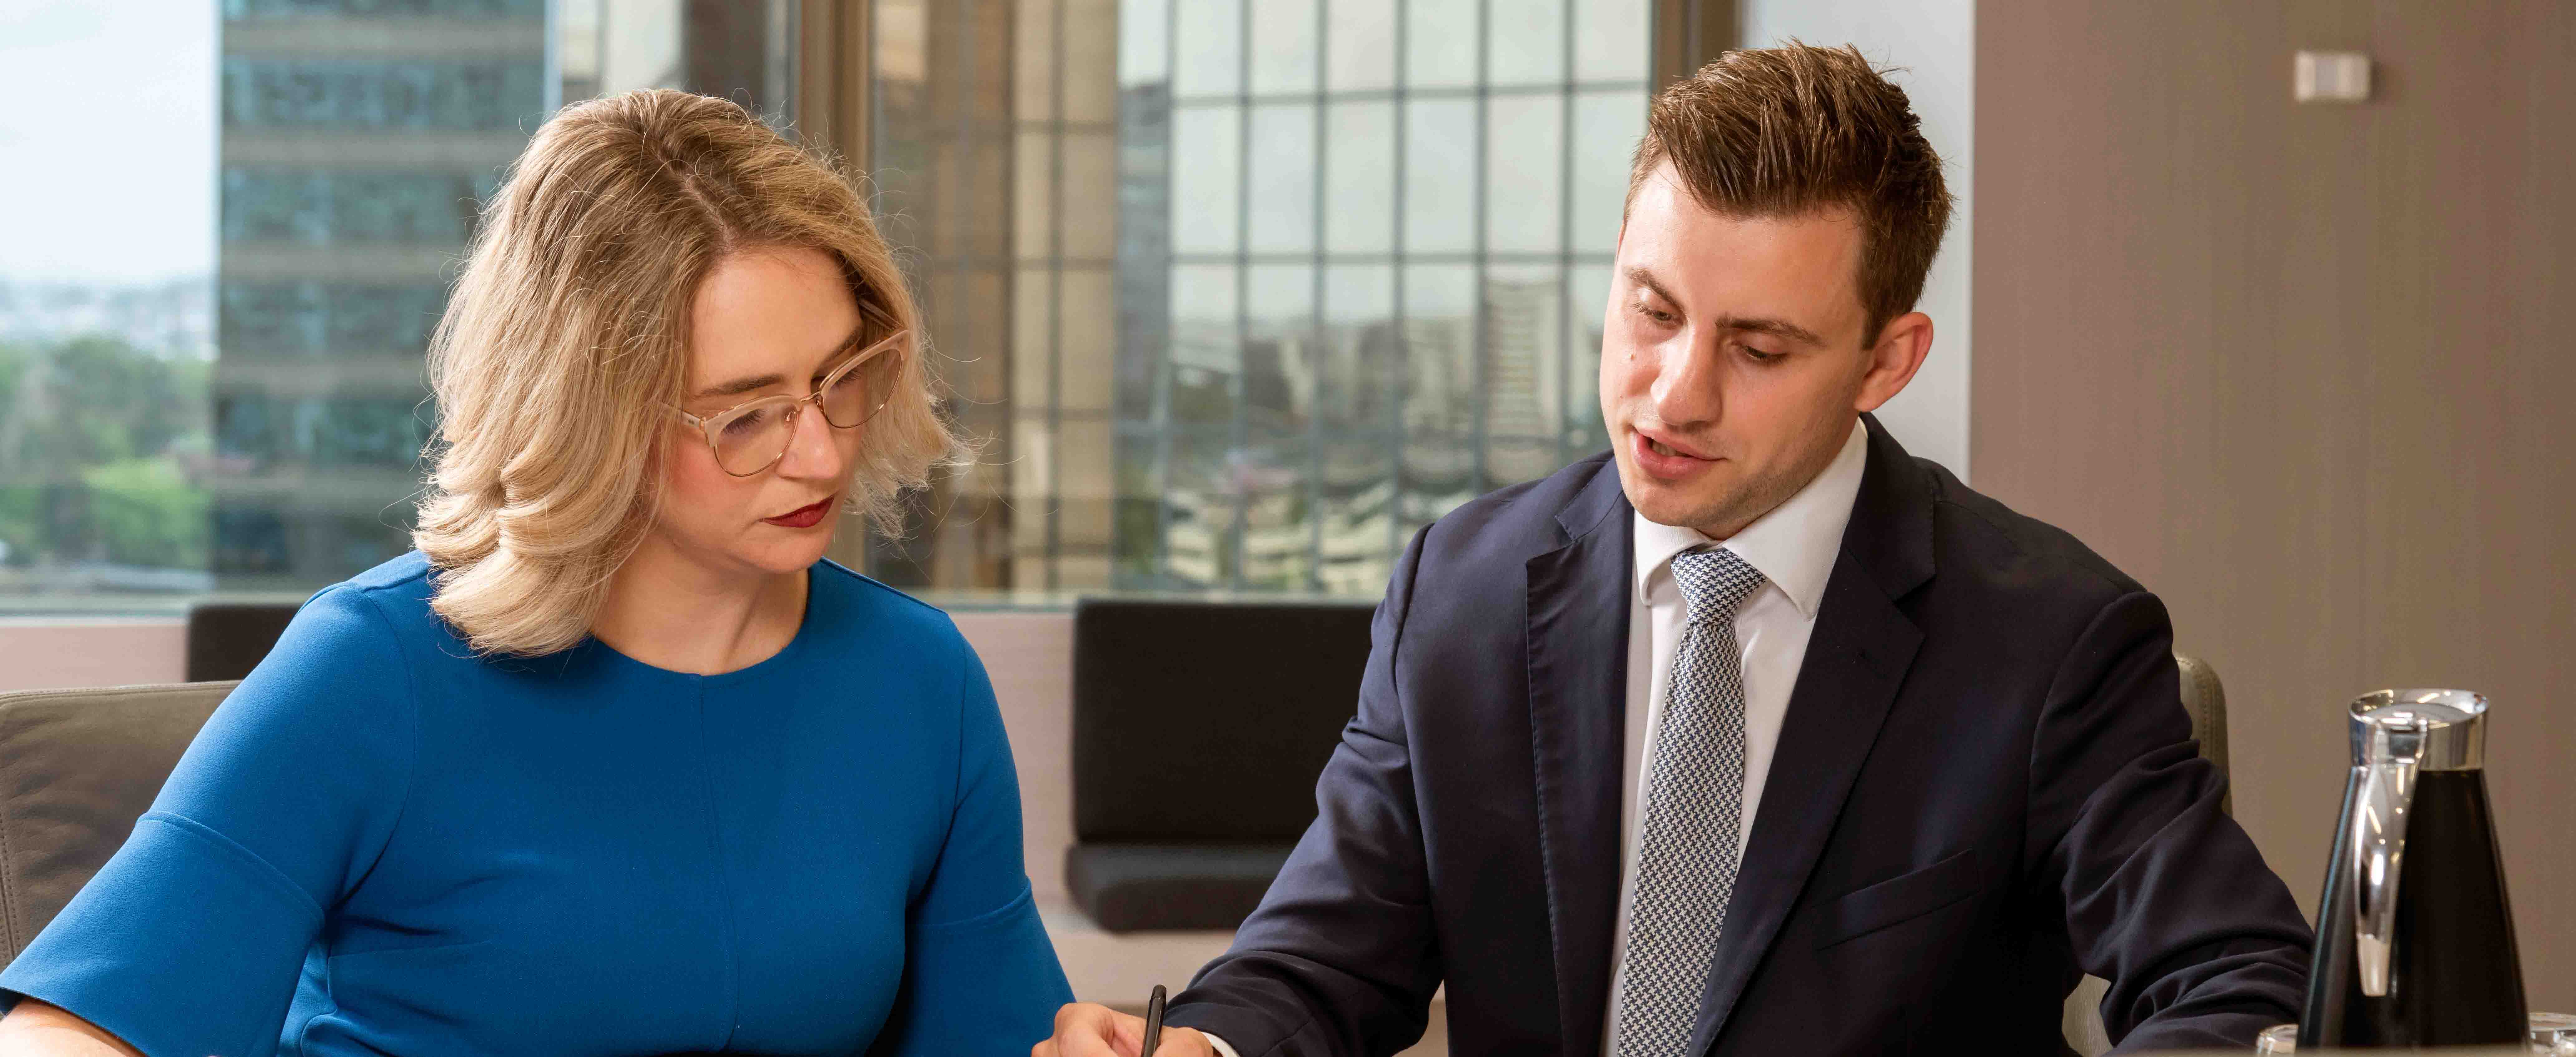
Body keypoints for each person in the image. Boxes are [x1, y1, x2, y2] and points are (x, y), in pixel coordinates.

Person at [1040, 44, 2311, 1057]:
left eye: (1759, 349)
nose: (1673, 393)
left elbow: (2240, 983)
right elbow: (1321, 961)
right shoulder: (1461, 592)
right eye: (1651, 311)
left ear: (1887, 360)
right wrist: (1205, 1045)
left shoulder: (2049, 643)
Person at [0, 90, 1071, 1056]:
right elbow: (72, 1030)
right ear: (587, 417)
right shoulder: (376, 668)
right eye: (746, 415)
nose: (822, 451)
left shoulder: (919, 680)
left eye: (842, 379)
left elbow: (1011, 1038)